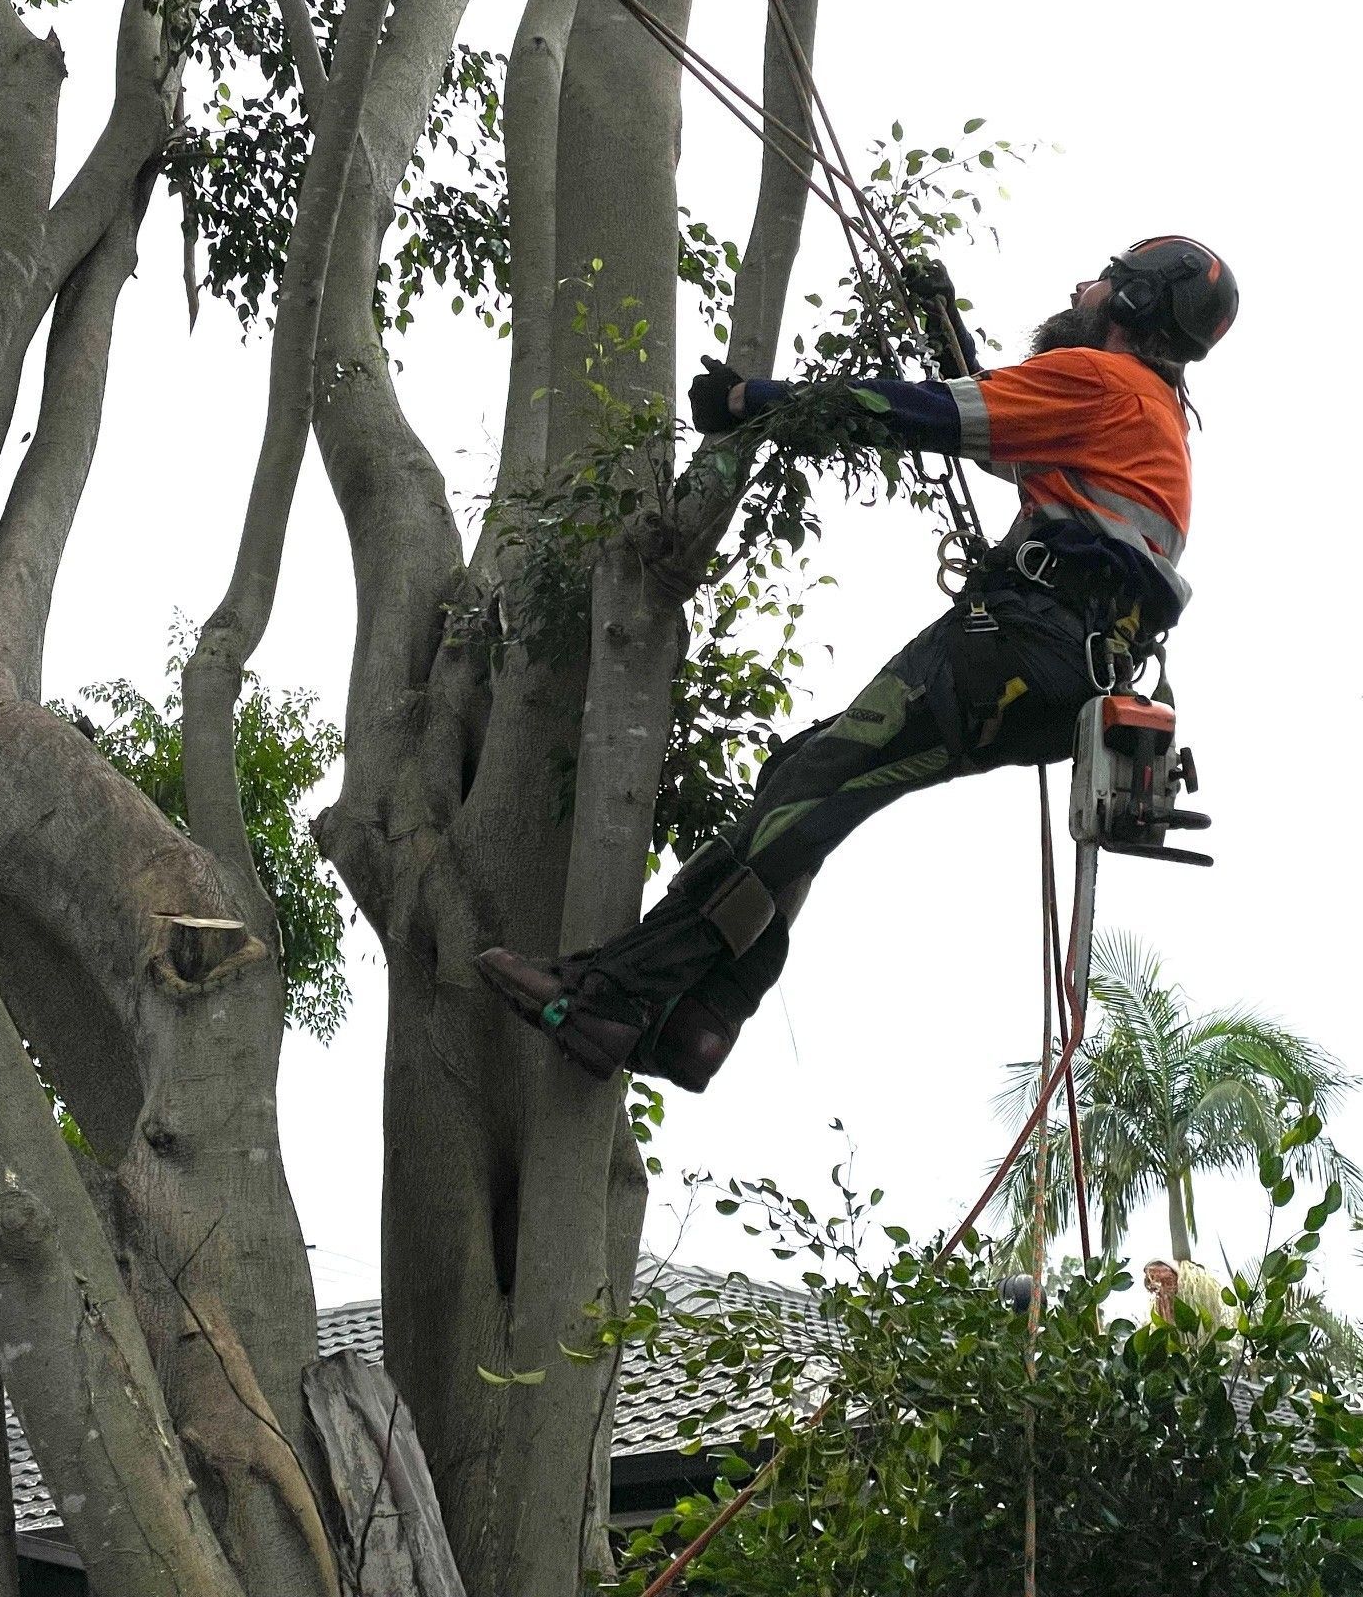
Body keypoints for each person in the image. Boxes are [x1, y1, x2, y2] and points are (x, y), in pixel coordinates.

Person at [478, 237, 1238, 1092]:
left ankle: (612, 996)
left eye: (1103, 278)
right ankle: (702, 1019)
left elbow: (937, 416)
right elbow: (997, 432)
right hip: (1061, 683)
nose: (1081, 284)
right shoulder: (1146, 415)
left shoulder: (1105, 383)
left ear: (1131, 306)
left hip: (1017, 649)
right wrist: (942, 324)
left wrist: (754, 401)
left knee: (812, 793)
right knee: (804, 776)